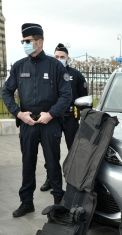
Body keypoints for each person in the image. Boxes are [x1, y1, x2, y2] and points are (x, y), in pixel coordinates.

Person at [2, 23, 72, 217]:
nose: (24, 44)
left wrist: (50, 114)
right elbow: (6, 92)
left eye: (28, 41)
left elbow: (66, 95)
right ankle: (26, 202)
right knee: (28, 163)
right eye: (23, 41)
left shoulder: (55, 66)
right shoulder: (18, 66)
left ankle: (59, 202)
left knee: (52, 164)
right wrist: (18, 113)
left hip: (49, 123)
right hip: (28, 123)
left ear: (39, 42)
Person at [40, 43, 89, 192]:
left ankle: (74, 181)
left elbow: (84, 99)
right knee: (50, 151)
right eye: (56, 57)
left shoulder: (76, 75)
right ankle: (51, 178)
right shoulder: (46, 74)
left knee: (73, 150)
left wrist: (82, 118)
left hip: (70, 119)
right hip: (52, 118)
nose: (59, 59)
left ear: (68, 58)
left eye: (62, 57)